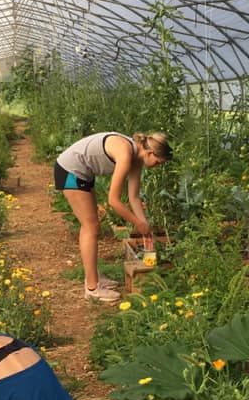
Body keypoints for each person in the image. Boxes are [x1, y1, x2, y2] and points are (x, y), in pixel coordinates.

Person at [54, 130, 172, 303]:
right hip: (70, 171)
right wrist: (137, 224)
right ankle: (92, 288)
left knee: (92, 225)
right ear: (150, 153)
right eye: (158, 162)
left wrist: (145, 227)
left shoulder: (137, 158)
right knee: (91, 226)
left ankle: (93, 278)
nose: (157, 166)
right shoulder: (125, 153)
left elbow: (134, 197)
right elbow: (113, 201)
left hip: (83, 172)